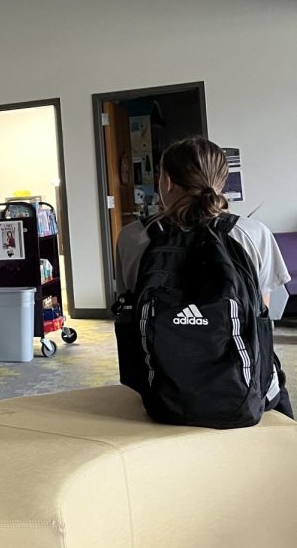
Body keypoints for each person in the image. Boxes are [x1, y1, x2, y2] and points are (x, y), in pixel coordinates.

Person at [115, 136, 292, 418]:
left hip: (161, 395)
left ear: (167, 181)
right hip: (242, 393)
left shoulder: (132, 237)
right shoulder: (253, 233)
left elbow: (132, 305)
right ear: (222, 182)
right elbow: (262, 315)